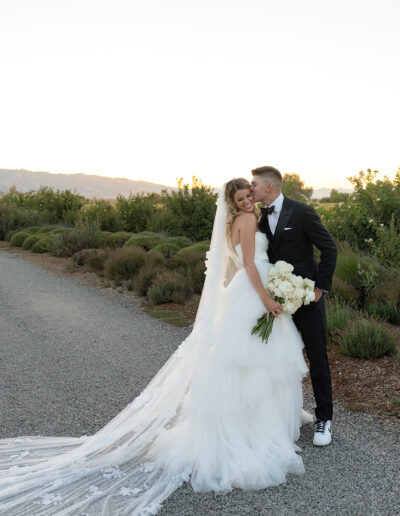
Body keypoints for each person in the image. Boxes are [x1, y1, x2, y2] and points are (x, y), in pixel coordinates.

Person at [0, 178, 312, 515]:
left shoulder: (233, 223)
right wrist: (266, 296)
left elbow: (232, 266)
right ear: (233, 202)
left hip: (241, 292)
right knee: (257, 363)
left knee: (244, 363)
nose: (249, 200)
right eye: (241, 198)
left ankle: (248, 424)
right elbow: (249, 264)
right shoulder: (249, 220)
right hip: (254, 291)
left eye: (250, 195)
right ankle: (257, 430)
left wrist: (242, 295)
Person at [251, 166, 338, 446]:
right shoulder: (256, 216)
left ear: (268, 186)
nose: (250, 188)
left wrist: (319, 288)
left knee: (317, 356)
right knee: (276, 357)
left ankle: (324, 419)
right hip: (274, 301)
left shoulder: (301, 211)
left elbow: (329, 248)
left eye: (254, 184)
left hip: (304, 297)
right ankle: (283, 412)